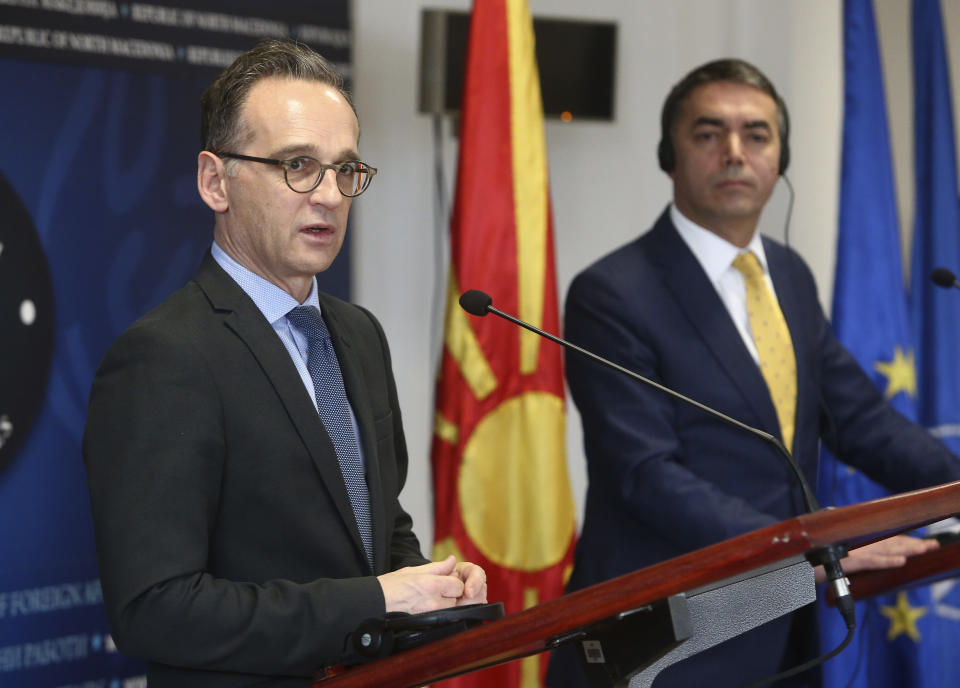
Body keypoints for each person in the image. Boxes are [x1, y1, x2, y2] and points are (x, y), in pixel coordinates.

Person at [83, 39, 486, 687]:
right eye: (298, 166)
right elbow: (153, 610)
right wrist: (379, 600)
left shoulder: (358, 335)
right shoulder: (166, 358)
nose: (328, 195)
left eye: (345, 169)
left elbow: (379, 527)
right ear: (216, 181)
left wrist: (433, 586)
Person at [546, 58, 960, 687]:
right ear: (670, 155)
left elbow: (861, 419)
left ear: (780, 159)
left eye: (757, 135)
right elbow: (646, 475)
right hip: (668, 634)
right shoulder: (614, 293)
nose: (735, 153)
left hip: (786, 631)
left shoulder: (787, 275)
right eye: (709, 134)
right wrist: (817, 550)